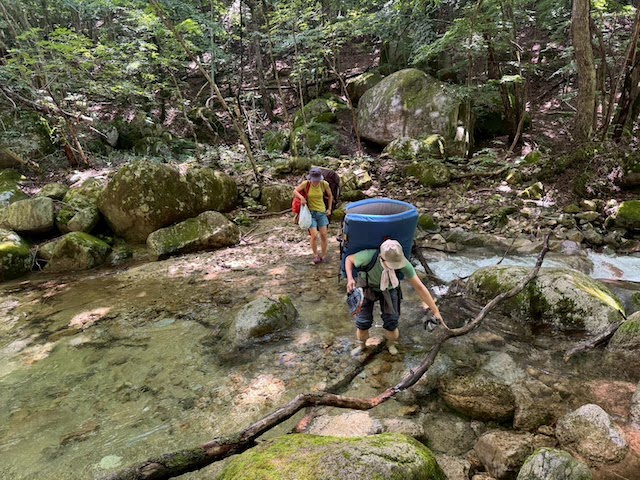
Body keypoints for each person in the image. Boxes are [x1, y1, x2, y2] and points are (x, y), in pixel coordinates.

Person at [345, 239, 442, 355]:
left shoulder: (403, 262)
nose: (394, 267)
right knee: (363, 323)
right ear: (381, 258)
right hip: (367, 286)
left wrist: (436, 311)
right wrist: (350, 279)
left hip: (389, 288)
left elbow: (420, 287)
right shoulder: (367, 256)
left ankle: (391, 344)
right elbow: (349, 259)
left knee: (392, 322)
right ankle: (362, 346)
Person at [293, 168, 333, 264]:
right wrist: (301, 198)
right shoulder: (306, 184)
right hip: (310, 214)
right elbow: (295, 191)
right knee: (314, 235)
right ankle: (315, 255)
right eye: (314, 180)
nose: (316, 182)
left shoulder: (324, 184)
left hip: (322, 213)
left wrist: (329, 209)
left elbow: (330, 196)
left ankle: (323, 255)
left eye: (317, 180)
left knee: (324, 234)